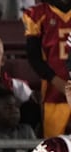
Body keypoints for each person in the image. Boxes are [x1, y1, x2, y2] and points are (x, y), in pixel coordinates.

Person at [22, 0, 71, 138]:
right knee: (55, 148)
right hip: (55, 92)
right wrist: (57, 82)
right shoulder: (37, 14)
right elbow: (34, 57)